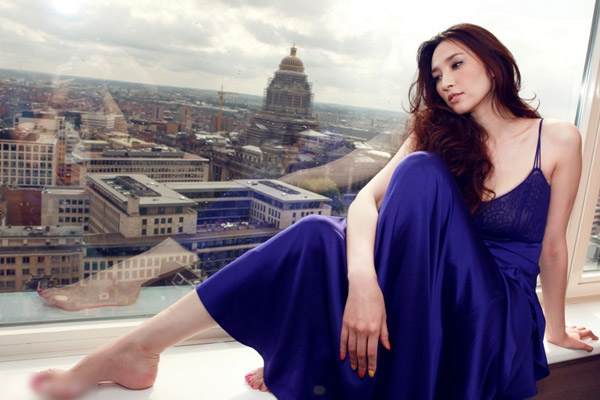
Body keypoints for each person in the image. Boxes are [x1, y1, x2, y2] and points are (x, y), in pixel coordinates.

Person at [30, 23, 598, 400]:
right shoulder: (437, 133)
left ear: (494, 62)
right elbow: (366, 204)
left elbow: (553, 247)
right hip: (425, 298)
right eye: (435, 75)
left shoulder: (558, 139)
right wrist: (363, 284)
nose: (446, 82)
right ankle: (136, 349)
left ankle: (318, 358)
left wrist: (555, 328)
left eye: (456, 64)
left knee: (420, 174)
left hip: (492, 309)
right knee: (317, 235)